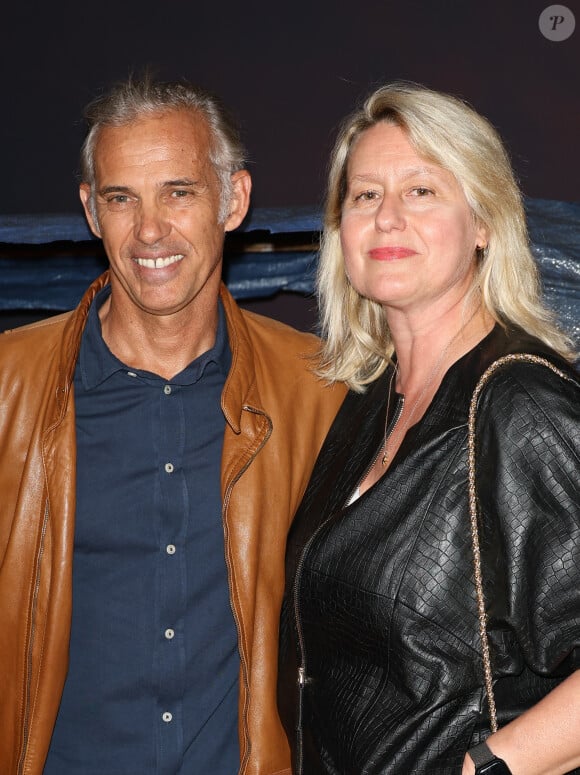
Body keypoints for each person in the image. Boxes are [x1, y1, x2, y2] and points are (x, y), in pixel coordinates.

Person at [0, 75, 345, 775]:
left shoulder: (319, 390)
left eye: (178, 192)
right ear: (91, 212)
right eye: (121, 198)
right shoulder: (8, 388)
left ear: (234, 200)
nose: (149, 230)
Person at [278, 82, 580, 775]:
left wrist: (484, 769)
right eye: (365, 196)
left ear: (482, 222)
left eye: (421, 191)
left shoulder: (519, 404)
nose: (387, 218)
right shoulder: (371, 401)